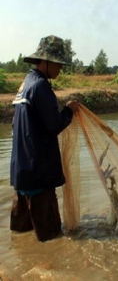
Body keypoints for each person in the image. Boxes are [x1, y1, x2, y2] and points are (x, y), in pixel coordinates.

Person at [9, 35, 79, 242]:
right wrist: (69, 110)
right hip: (39, 173)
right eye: (57, 64)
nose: (60, 69)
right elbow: (54, 125)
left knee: (21, 235)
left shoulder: (26, 84)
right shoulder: (41, 87)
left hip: (21, 173)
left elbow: (19, 125)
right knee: (51, 238)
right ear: (45, 62)